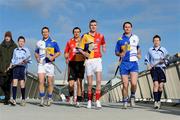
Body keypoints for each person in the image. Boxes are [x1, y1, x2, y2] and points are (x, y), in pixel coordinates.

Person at [78, 20, 106, 109]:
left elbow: (103, 43)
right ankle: (89, 101)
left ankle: (97, 100)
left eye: (95, 25)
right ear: (89, 26)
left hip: (98, 60)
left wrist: (104, 48)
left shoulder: (101, 35)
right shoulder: (85, 36)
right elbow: (79, 48)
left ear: (97, 26)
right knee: (89, 83)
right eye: (91, 25)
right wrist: (84, 53)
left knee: (98, 81)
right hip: (89, 60)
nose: (93, 26)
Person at [115, 22, 141, 109]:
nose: (127, 28)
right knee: (125, 84)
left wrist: (139, 54)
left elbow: (138, 48)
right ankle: (125, 101)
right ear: (123, 28)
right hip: (124, 64)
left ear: (131, 28)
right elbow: (116, 52)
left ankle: (132, 96)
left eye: (129, 27)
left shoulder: (136, 37)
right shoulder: (120, 39)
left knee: (134, 83)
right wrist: (120, 54)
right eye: (125, 27)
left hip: (134, 63)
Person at [35, 27, 61, 106]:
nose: (45, 33)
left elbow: (59, 52)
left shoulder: (53, 42)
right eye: (43, 32)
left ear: (49, 32)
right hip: (41, 64)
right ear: (41, 33)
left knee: (50, 82)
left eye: (46, 32)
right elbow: (36, 52)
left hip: (50, 64)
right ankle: (42, 99)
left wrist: (53, 57)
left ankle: (49, 98)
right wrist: (37, 58)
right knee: (41, 81)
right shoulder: (39, 42)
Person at [145, 35, 168, 109]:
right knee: (155, 84)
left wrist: (164, 61)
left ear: (159, 41)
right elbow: (146, 59)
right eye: (155, 40)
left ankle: (159, 100)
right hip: (154, 69)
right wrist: (148, 65)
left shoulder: (163, 49)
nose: (156, 42)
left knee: (161, 86)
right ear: (153, 41)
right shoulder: (150, 50)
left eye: (157, 40)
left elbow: (168, 59)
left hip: (162, 69)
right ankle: (155, 102)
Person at [64, 27, 85, 107]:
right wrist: (66, 57)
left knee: (79, 83)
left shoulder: (83, 41)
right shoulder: (69, 41)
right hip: (72, 63)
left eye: (78, 32)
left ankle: (78, 101)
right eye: (75, 32)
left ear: (80, 33)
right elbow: (66, 52)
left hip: (81, 63)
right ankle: (71, 96)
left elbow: (88, 51)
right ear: (73, 33)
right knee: (71, 84)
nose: (76, 33)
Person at [8, 36, 32, 106]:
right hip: (15, 67)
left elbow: (29, 59)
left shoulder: (26, 50)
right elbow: (13, 59)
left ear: (24, 43)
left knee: (22, 83)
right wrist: (10, 65)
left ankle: (23, 99)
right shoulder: (15, 50)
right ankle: (14, 99)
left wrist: (25, 61)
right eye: (20, 41)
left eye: (22, 41)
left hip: (22, 67)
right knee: (14, 82)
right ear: (18, 42)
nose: (21, 42)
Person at [0, 31, 17, 105]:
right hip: (2, 67)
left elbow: (16, 57)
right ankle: (2, 98)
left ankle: (7, 99)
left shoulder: (14, 46)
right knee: (1, 83)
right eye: (6, 36)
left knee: (8, 84)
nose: (7, 37)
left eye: (8, 36)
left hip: (10, 68)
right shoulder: (1, 46)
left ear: (10, 37)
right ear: (4, 37)